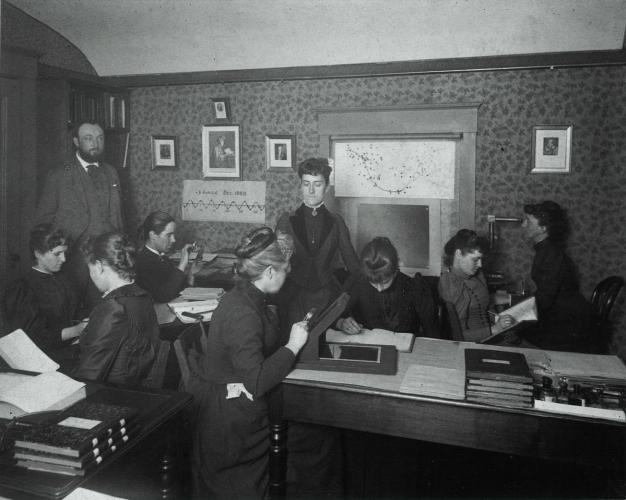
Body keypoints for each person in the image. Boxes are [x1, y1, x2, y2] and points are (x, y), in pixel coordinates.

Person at [188, 227, 309, 498]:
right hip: (229, 422)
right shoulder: (243, 312)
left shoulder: (246, 295)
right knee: (310, 441)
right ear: (268, 273)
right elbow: (255, 382)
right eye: (285, 268)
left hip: (231, 405)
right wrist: (293, 345)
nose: (288, 273)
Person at [35, 121, 123, 311]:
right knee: (73, 311)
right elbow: (43, 220)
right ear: (76, 141)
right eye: (88, 138)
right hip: (71, 259)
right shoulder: (59, 175)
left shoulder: (111, 172)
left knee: (105, 310)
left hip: (105, 258)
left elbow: (118, 216)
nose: (95, 143)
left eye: (100, 138)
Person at [73, 232, 159, 386]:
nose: (91, 276)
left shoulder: (112, 308)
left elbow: (89, 374)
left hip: (112, 395)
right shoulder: (143, 296)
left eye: (90, 269)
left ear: (99, 266)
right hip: (136, 387)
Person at [3, 224, 85, 371]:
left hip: (72, 353)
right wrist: (77, 330)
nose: (64, 259)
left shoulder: (66, 280)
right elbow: (30, 339)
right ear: (38, 253)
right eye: (57, 254)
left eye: (65, 253)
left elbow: (76, 313)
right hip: (44, 363)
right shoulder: (23, 288)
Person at [519, 201, 593, 352]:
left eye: (528, 221)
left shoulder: (551, 254)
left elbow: (545, 298)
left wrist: (518, 313)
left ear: (544, 228)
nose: (523, 225)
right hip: (562, 313)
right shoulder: (545, 249)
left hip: (569, 320)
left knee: (517, 333)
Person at [336, 236, 439, 337]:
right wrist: (341, 323)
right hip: (367, 350)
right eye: (373, 282)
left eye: (385, 282)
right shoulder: (356, 283)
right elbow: (333, 316)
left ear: (395, 270)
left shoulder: (416, 288)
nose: (379, 289)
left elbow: (433, 333)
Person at [438, 229, 516, 342]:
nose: (480, 265)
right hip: (474, 344)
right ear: (458, 254)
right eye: (475, 259)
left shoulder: (476, 275)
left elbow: (486, 308)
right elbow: (458, 336)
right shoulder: (451, 285)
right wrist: (495, 329)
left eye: (481, 259)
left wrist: (499, 319)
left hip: (493, 335)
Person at [135, 211, 202, 303]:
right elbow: (164, 297)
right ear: (153, 235)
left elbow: (180, 290)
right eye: (169, 235)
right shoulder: (143, 262)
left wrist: (191, 275)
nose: (173, 240)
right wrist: (182, 264)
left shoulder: (163, 258)